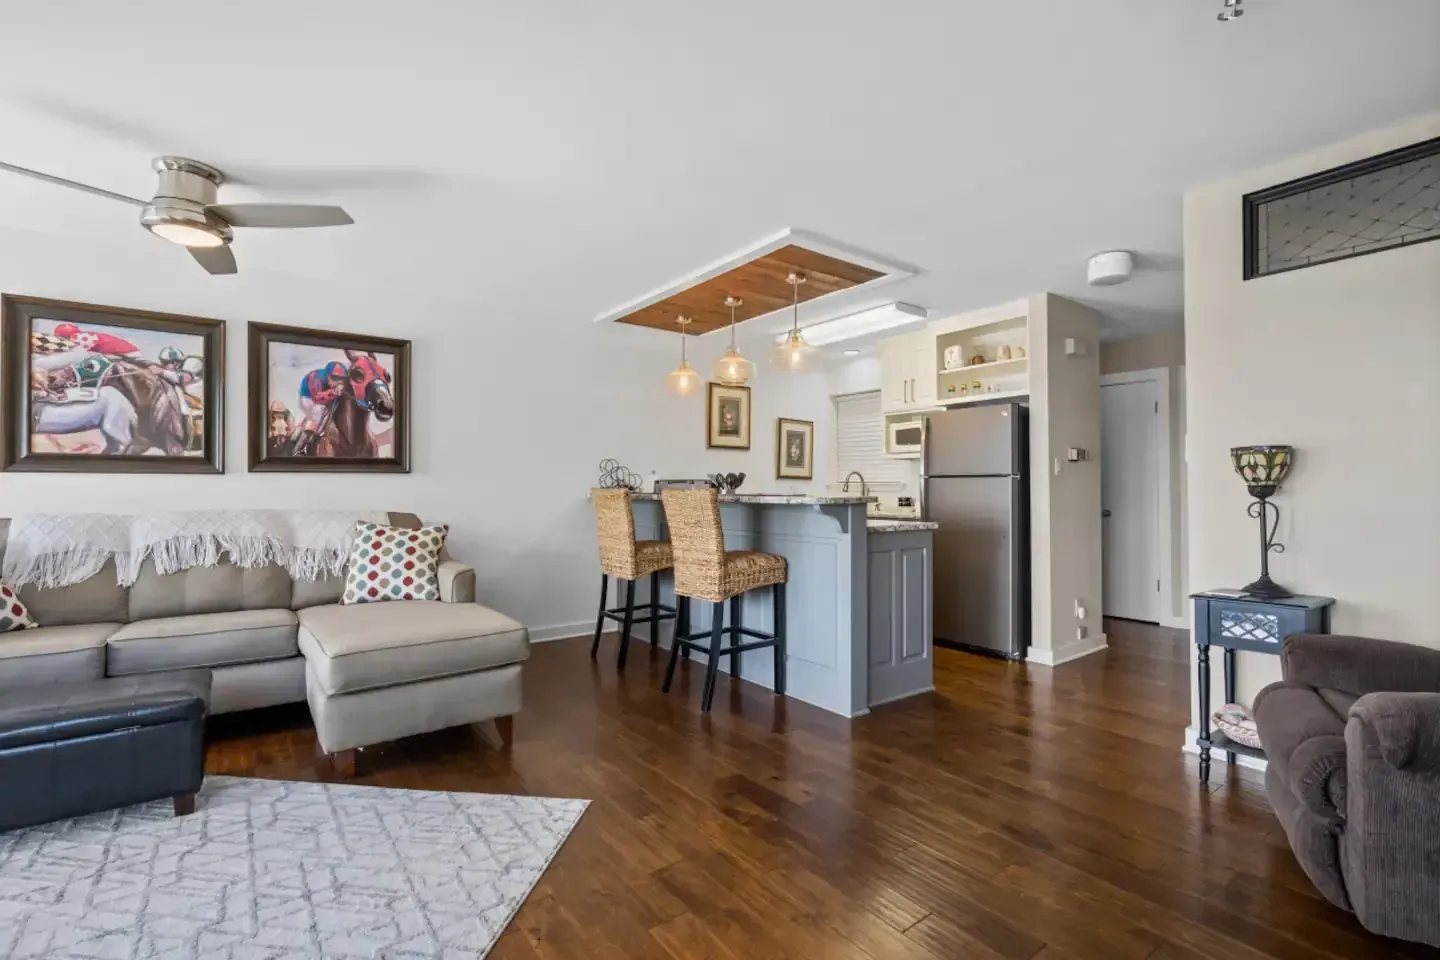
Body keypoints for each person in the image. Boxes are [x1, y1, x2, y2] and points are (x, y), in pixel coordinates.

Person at [290, 360, 349, 455]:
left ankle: (306, 437)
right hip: (308, 397)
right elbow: (316, 398)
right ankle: (298, 449)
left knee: (330, 412)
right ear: (327, 375)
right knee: (319, 411)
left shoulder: (337, 383)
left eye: (341, 379)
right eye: (334, 378)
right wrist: (332, 391)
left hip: (322, 399)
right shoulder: (316, 378)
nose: (338, 382)